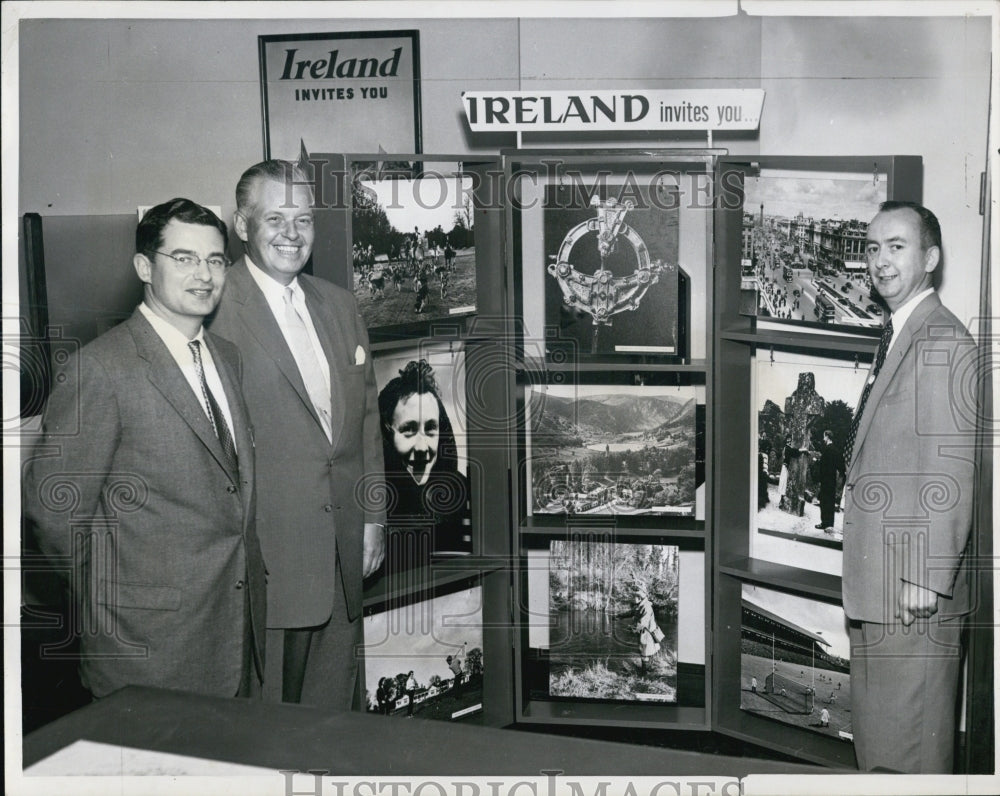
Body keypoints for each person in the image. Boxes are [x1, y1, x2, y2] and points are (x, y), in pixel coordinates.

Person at [24, 199, 265, 699]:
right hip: (146, 649)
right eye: (184, 258)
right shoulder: (101, 368)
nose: (204, 275)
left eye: (215, 260)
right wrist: (108, 605)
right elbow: (54, 516)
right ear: (144, 267)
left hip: (233, 635)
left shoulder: (227, 357)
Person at [207, 160, 385, 710]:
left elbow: (365, 424)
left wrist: (373, 519)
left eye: (303, 219)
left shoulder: (339, 304)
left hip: (343, 553)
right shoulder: (212, 308)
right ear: (242, 225)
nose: (292, 233)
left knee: (333, 722)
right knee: (270, 727)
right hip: (267, 565)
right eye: (275, 218)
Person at [842, 201, 976, 774]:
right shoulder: (903, 333)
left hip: (911, 590)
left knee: (908, 754)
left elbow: (953, 468)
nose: (880, 260)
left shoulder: (944, 341)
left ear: (931, 257)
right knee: (881, 745)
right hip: (882, 586)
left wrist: (926, 574)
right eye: (873, 248)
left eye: (896, 246)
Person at [377, 359, 471, 566]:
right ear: (386, 434)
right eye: (408, 430)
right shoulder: (370, 508)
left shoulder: (463, 493)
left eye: (430, 429)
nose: (422, 448)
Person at [815, 429, 845, 532]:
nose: (823, 438)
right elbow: (841, 466)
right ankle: (829, 524)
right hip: (832, 479)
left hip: (825, 479)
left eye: (824, 436)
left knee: (824, 501)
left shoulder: (827, 449)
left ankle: (824, 523)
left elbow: (823, 466)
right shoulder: (836, 450)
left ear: (827, 437)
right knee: (830, 502)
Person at [632, 585, 662, 674]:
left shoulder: (646, 607)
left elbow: (642, 623)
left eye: (635, 596)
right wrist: (619, 616)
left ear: (640, 597)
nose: (633, 598)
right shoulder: (640, 605)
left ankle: (644, 673)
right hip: (644, 633)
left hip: (648, 634)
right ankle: (647, 670)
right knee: (645, 652)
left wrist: (632, 629)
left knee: (645, 653)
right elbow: (632, 612)